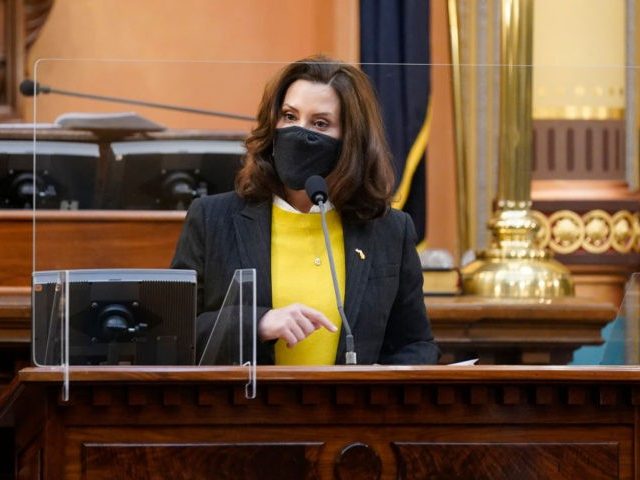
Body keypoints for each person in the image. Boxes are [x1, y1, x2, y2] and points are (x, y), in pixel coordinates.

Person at [171, 55, 439, 365]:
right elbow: (176, 332)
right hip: (244, 409)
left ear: (351, 140)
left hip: (348, 411)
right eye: (289, 116)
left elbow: (416, 344)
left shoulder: (389, 230)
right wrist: (257, 323)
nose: (299, 132)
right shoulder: (211, 218)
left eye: (320, 123)